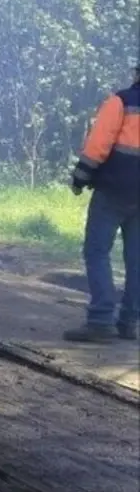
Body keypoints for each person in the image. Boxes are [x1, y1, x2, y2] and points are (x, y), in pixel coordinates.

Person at [64, 61, 140, 343]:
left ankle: (100, 320)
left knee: (96, 251)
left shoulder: (121, 101)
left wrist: (80, 176)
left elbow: (99, 143)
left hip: (114, 191)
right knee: (137, 259)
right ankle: (129, 322)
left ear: (136, 74)